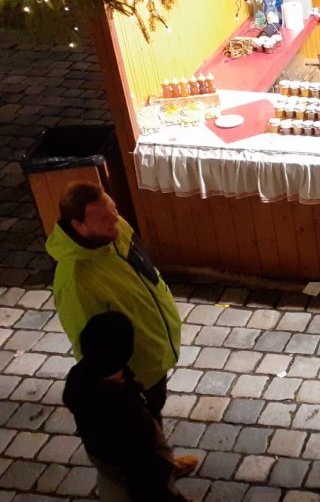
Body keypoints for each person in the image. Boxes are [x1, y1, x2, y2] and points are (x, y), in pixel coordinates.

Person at [46, 182, 195, 476]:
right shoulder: (75, 280)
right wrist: (120, 390)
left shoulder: (112, 230)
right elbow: (90, 348)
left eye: (113, 209)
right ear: (79, 225)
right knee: (141, 430)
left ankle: (161, 461)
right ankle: (159, 473)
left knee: (154, 416)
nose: (116, 219)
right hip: (133, 376)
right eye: (104, 218)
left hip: (153, 354)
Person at [64, 312, 194, 502]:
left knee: (110, 480)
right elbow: (143, 470)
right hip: (139, 469)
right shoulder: (124, 411)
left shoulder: (80, 376)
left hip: (103, 457)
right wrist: (163, 477)